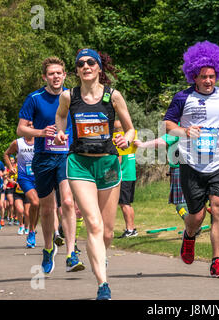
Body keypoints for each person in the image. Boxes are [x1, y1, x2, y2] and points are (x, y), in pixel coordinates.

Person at [54, 48, 135, 300]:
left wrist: (125, 139)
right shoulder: (69, 96)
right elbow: (60, 116)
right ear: (76, 70)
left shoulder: (113, 96)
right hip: (80, 164)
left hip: (109, 164)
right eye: (81, 63)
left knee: (108, 232)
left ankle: (100, 257)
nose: (86, 66)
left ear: (99, 67)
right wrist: (59, 131)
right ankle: (103, 284)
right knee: (94, 223)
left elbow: (131, 129)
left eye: (91, 62)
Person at [163, 40, 219, 278]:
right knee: (196, 216)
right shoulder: (182, 98)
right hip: (191, 164)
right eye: (203, 76)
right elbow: (168, 125)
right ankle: (189, 236)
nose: (209, 81)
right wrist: (185, 132)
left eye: (212, 76)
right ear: (194, 77)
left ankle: (217, 262)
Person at [17, 56, 84, 272]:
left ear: (65, 75)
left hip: (67, 155)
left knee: (66, 201)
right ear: (45, 77)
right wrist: (41, 132)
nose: (55, 76)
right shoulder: (34, 98)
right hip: (43, 157)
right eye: (51, 73)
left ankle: (72, 254)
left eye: (59, 73)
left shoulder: (73, 97)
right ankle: (48, 249)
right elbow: (20, 129)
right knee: (46, 209)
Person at [114, 120, 138, 238]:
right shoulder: (131, 140)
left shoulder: (120, 143)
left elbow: (117, 161)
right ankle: (132, 228)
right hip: (131, 175)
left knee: (124, 204)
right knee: (128, 203)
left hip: (124, 176)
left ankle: (129, 229)